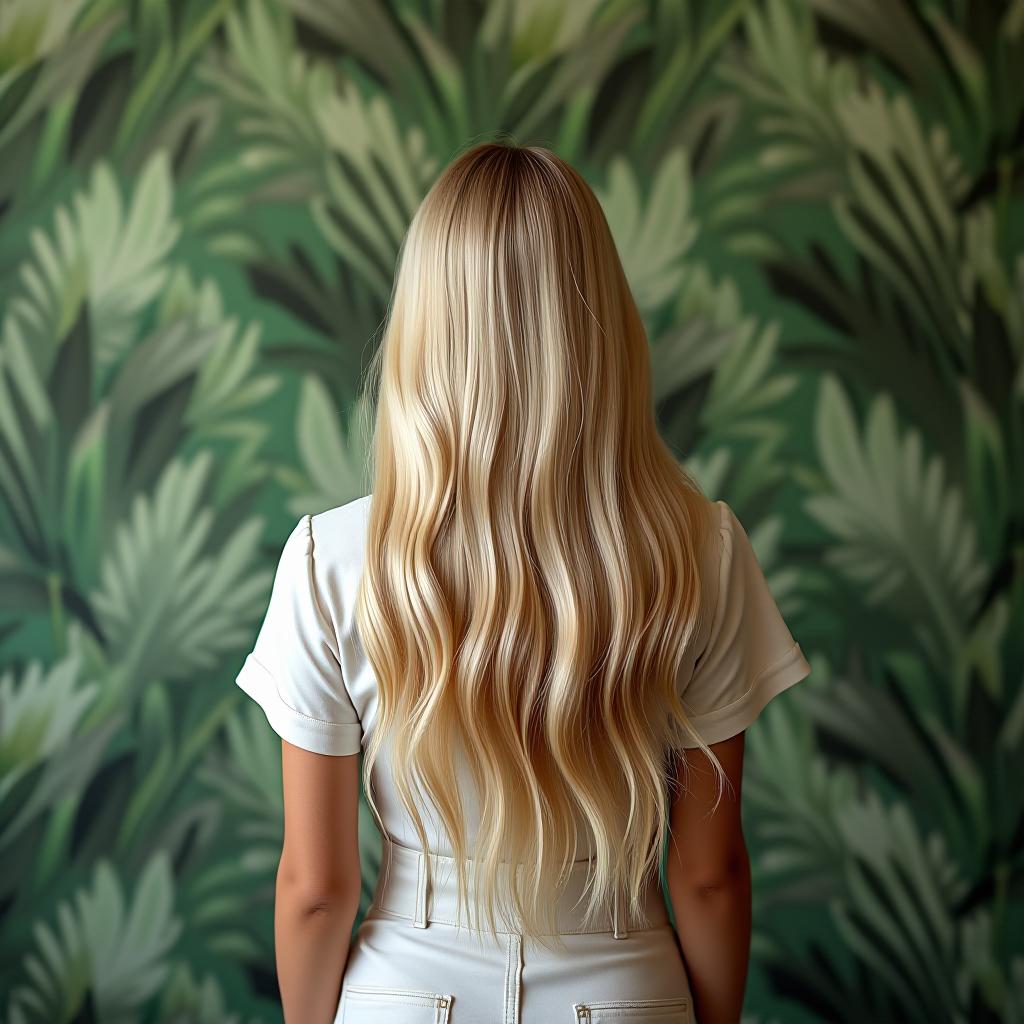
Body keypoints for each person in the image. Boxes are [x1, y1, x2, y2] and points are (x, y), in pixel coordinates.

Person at [234, 140, 812, 1024]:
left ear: (425, 323)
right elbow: (709, 874)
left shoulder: (328, 560)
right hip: (628, 990)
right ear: (601, 319)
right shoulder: (704, 550)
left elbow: (317, 888)